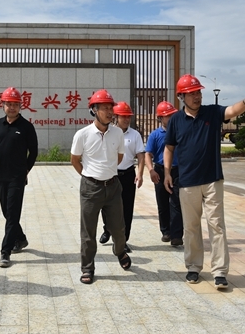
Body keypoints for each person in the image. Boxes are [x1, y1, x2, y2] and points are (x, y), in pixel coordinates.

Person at [163, 74, 245, 289]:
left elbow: (232, 111)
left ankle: (219, 272)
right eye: (192, 93)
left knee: (216, 225)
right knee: (190, 227)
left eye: (198, 92)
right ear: (181, 97)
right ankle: (193, 267)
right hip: (187, 182)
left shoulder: (212, 112)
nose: (197, 96)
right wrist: (167, 173)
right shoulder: (176, 121)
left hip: (212, 180)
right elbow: (169, 148)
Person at [70, 89, 132, 285]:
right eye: (104, 108)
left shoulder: (118, 133)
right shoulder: (83, 134)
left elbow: (119, 157)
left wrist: (107, 172)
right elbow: (75, 160)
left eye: (110, 108)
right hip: (91, 189)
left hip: (113, 186)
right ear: (94, 110)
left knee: (119, 228)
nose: (109, 112)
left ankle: (119, 250)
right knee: (88, 232)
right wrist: (90, 176)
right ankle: (87, 267)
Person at [0, 87, 38, 268]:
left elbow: (33, 152)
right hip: (0, 176)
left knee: (12, 214)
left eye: (15, 104)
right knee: (7, 212)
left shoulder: (26, 127)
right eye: (8, 104)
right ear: (2, 105)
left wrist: (25, 170)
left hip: (17, 178)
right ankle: (20, 238)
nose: (11, 107)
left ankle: (5, 251)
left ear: (20, 106)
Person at [99, 101, 144, 252]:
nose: (126, 119)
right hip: (111, 174)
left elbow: (141, 155)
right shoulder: (109, 132)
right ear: (116, 117)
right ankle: (107, 229)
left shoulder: (135, 135)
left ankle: (123, 240)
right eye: (123, 116)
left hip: (128, 175)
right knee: (107, 206)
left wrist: (140, 174)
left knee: (127, 208)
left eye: (128, 117)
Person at [144, 101, 183, 247]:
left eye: (173, 115)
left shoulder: (180, 133)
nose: (171, 118)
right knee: (162, 203)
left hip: (177, 171)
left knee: (176, 202)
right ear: (160, 118)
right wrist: (151, 170)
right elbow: (148, 154)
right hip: (160, 171)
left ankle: (177, 235)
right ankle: (166, 231)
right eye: (168, 116)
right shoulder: (155, 135)